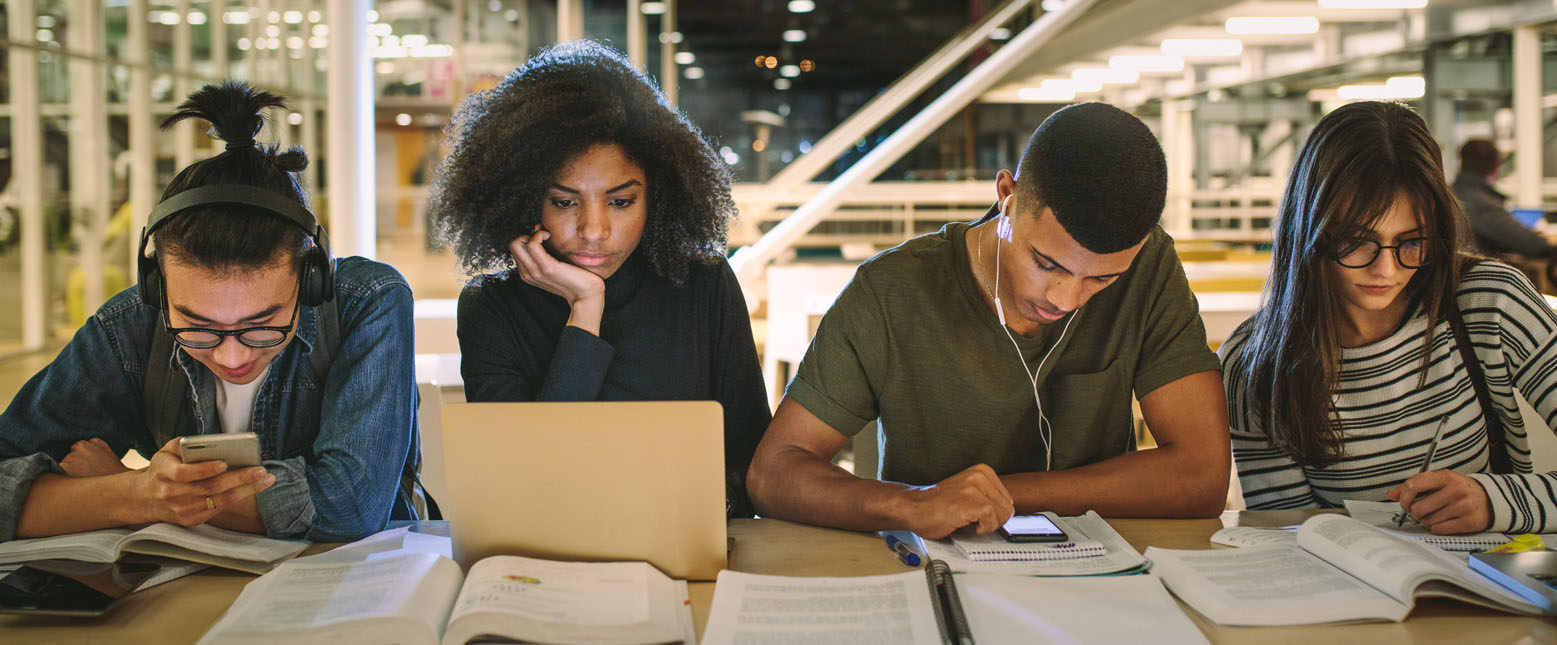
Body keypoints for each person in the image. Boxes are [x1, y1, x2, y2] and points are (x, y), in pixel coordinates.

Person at [745, 102, 1231, 539]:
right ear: (1007, 196)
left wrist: (1002, 495)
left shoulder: (1150, 267)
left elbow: (1203, 476)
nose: (1066, 298)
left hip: (1100, 577)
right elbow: (774, 473)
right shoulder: (891, 292)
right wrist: (913, 503)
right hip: (934, 571)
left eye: (1101, 280)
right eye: (1046, 263)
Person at [0, 82, 423, 542]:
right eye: (198, 327)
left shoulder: (367, 302)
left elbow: (351, 506)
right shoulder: (129, 326)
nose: (232, 358)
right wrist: (138, 493)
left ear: (312, 278)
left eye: (262, 326)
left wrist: (121, 492)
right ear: (156, 286)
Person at [427, 40, 770, 517]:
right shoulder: (491, 307)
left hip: (684, 547)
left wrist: (705, 506)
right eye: (565, 202)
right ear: (525, 200)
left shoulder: (702, 285)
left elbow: (756, 465)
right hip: (548, 558)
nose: (593, 230)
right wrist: (585, 309)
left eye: (621, 201)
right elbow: (526, 478)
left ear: (658, 196)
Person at [1220, 101, 1557, 535]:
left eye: (1411, 242)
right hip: (1348, 594)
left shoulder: (1491, 302)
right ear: (1310, 230)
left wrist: (1497, 502)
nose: (1387, 270)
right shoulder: (1256, 361)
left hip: (1491, 591)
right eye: (1357, 241)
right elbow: (1289, 534)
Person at [1453, 139, 1553, 259]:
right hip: (1477, 273)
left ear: (1461, 163)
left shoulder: (1451, 193)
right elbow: (1532, 245)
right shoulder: (1481, 203)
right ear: (1495, 168)